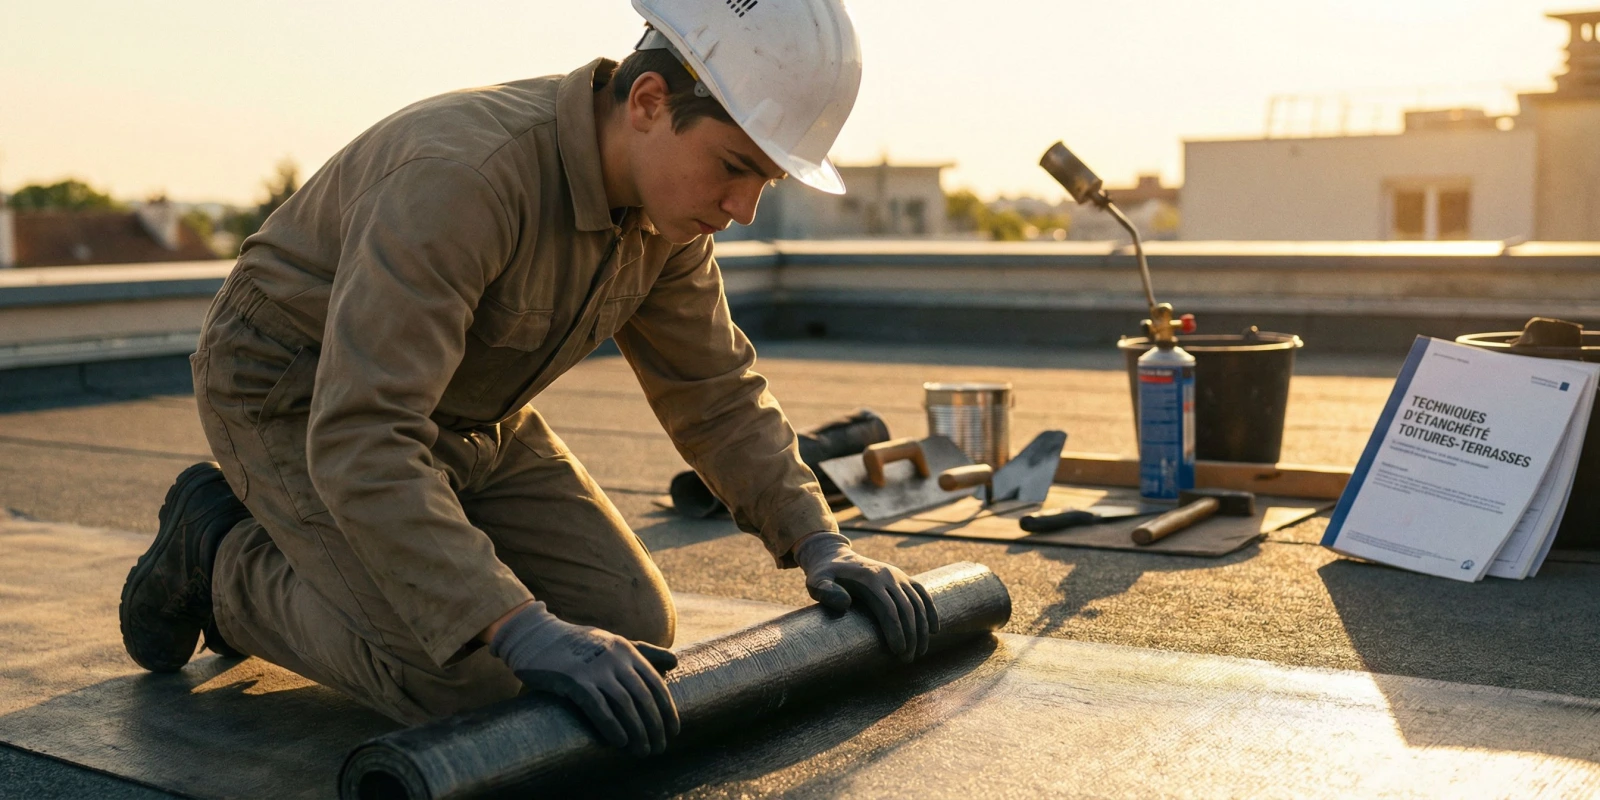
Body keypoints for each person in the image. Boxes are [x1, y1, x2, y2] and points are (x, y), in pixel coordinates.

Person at [118, 0, 937, 758]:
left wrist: (818, 540)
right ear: (649, 101)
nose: (745, 207)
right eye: (734, 166)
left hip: (470, 407)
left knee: (632, 629)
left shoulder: (666, 216)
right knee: (470, 675)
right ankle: (219, 555)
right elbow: (363, 435)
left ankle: (342, 565)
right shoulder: (465, 178)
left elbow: (715, 390)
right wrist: (509, 623)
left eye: (767, 179)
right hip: (296, 391)